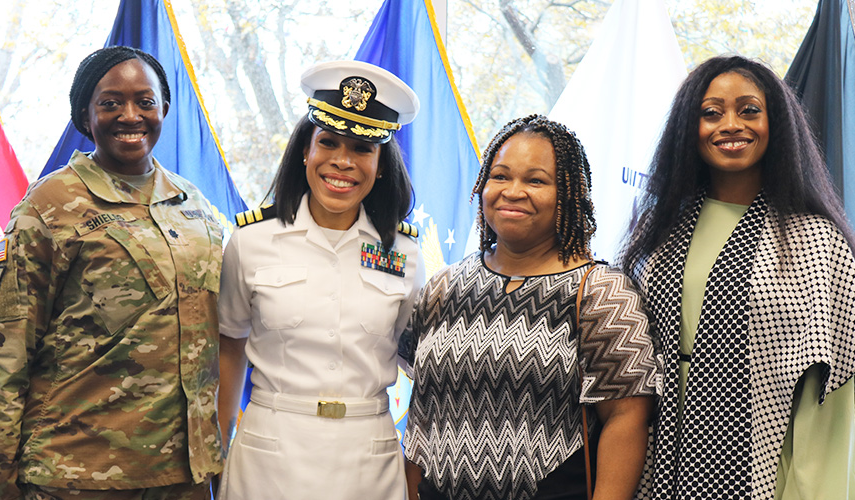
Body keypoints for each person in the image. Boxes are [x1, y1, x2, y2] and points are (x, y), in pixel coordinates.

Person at [0, 46, 224, 499]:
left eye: (145, 102)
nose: (130, 116)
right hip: (76, 474)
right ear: (85, 118)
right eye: (110, 103)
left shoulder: (195, 207)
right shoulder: (48, 206)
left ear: (164, 109)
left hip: (183, 476)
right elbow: (5, 357)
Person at [620, 55, 855, 500]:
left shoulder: (816, 239)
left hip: (766, 468)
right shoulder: (659, 231)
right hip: (659, 459)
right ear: (688, 128)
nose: (730, 125)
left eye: (749, 110)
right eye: (711, 113)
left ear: (776, 123)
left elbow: (836, 387)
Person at [403, 115, 659, 500]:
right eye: (500, 176)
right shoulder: (443, 286)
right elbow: (422, 411)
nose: (513, 191)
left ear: (569, 195)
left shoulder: (602, 292)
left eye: (535, 181)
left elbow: (626, 419)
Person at [216, 60, 422, 500]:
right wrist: (215, 454)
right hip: (270, 454)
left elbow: (418, 362)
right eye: (328, 142)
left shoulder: (405, 253)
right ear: (305, 151)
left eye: (363, 148)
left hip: (369, 457)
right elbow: (229, 348)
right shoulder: (251, 241)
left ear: (381, 165)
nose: (342, 162)